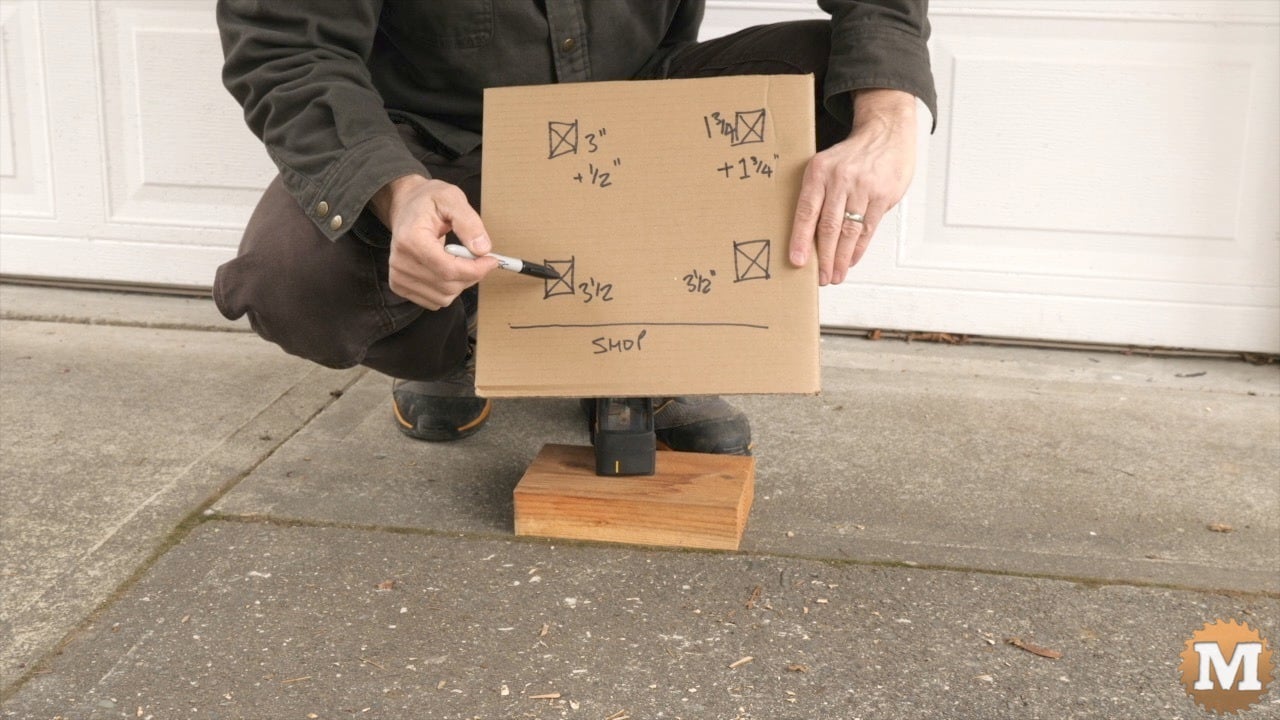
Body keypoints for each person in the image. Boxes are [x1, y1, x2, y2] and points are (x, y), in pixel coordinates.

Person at [213, 1, 936, 455]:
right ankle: (468, 338)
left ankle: (662, 337)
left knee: (835, 83)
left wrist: (891, 116)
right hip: (444, 147)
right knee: (292, 276)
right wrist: (396, 194)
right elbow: (285, 43)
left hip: (641, 115)